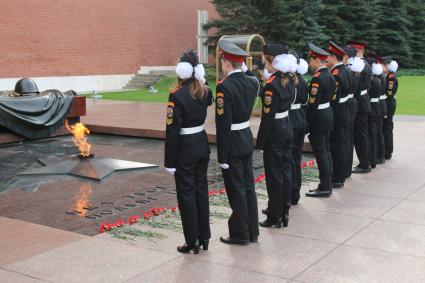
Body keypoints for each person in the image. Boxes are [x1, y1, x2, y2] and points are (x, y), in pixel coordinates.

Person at [164, 49, 213, 254]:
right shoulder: (206, 91)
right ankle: (205, 237)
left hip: (185, 149)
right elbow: (206, 99)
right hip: (201, 145)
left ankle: (191, 239)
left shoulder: (176, 95)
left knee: (186, 195)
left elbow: (173, 130)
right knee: (201, 191)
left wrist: (169, 161)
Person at [216, 39, 260, 245]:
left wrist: (222, 156)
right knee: (248, 186)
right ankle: (253, 231)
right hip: (246, 137)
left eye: (223, 61)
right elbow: (251, 76)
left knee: (236, 189)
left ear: (226, 63)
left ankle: (239, 233)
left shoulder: (225, 87)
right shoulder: (252, 82)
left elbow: (222, 124)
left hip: (232, 142)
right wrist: (244, 67)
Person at [256, 44, 297, 228]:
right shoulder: (288, 78)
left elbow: (267, 117)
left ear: (271, 60)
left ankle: (274, 216)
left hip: (275, 132)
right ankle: (284, 210)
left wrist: (260, 141)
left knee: (274, 175)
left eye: (266, 59)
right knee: (286, 171)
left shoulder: (272, 84)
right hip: (287, 127)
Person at [305, 43, 335, 198]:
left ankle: (324, 186)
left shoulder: (317, 79)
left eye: (311, 60)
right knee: (326, 150)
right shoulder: (330, 75)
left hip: (319, 117)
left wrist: (307, 125)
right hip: (328, 113)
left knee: (321, 152)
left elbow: (312, 105)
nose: (310, 63)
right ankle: (327, 183)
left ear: (316, 60)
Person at [328, 41, 351, 189]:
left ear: (333, 57)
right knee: (342, 144)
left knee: (337, 146)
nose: (327, 59)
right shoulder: (346, 70)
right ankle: (341, 174)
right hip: (345, 110)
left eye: (328, 56)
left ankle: (337, 177)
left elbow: (333, 98)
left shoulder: (336, 74)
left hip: (338, 112)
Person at [347, 40, 372, 174]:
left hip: (359, 101)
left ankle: (364, 163)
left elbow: (356, 86)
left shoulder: (359, 65)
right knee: (361, 133)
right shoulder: (365, 64)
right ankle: (365, 162)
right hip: (364, 99)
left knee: (359, 134)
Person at [290, 53, 309, 204]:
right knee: (296, 157)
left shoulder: (290, 80)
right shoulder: (302, 79)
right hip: (300, 117)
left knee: (290, 159)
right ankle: (295, 192)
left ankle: (291, 193)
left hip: (291, 118)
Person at [342, 46, 362, 179]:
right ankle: (346, 169)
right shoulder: (354, 72)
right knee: (348, 138)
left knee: (346, 138)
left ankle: (344, 169)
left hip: (347, 105)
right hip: (352, 103)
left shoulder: (347, 72)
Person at [367, 56, 383, 169]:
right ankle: (375, 157)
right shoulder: (378, 79)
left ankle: (372, 159)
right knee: (374, 133)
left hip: (373, 107)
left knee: (372, 134)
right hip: (376, 106)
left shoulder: (373, 81)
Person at [382, 56, 399, 160]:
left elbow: (389, 92)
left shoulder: (391, 78)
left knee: (387, 127)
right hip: (388, 102)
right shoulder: (388, 76)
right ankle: (387, 150)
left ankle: (388, 152)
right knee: (386, 127)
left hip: (388, 103)